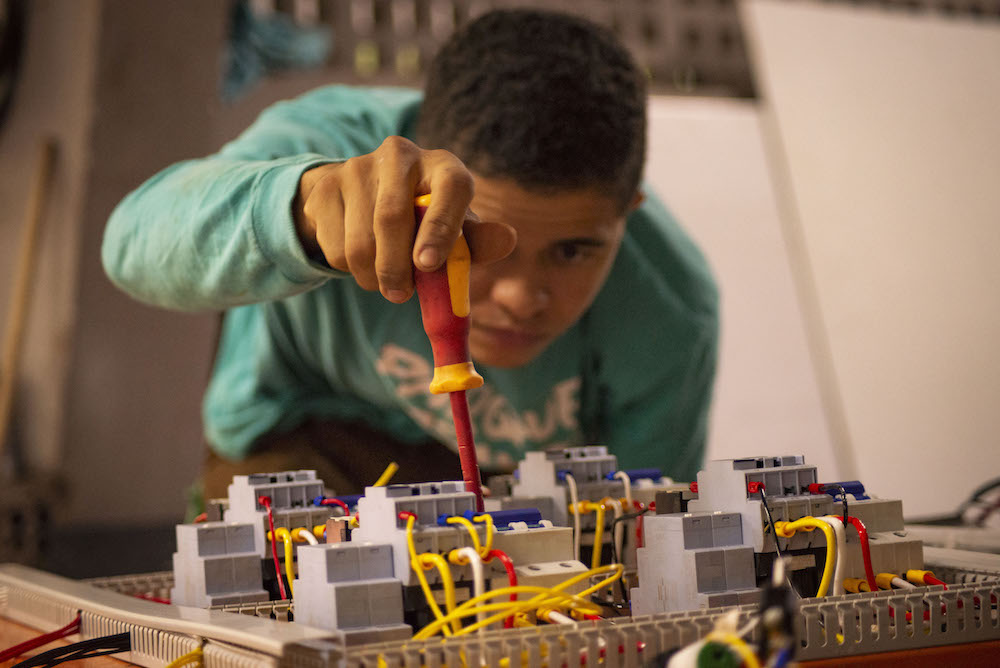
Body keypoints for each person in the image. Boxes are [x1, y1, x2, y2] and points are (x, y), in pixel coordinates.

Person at [102, 8, 719, 499]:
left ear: (627, 213)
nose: (521, 297)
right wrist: (301, 210)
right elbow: (129, 245)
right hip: (302, 437)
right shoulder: (328, 143)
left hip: (512, 490)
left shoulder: (673, 314)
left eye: (573, 250)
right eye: (477, 241)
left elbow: (641, 523)